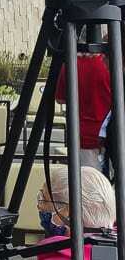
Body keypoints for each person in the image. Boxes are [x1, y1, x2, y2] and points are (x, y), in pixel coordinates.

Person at [55, 33, 112, 170]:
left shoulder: (69, 66)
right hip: (109, 134)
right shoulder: (108, 66)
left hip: (82, 137)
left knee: (89, 186)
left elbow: (59, 98)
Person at [36, 166, 118, 259]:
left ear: (68, 212)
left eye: (43, 199)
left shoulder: (57, 255)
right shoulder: (118, 247)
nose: (39, 206)